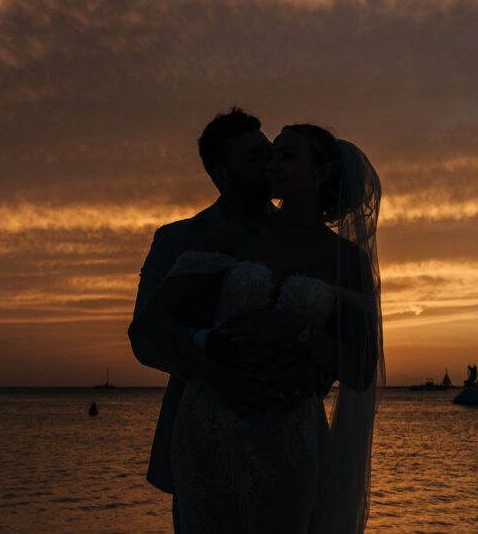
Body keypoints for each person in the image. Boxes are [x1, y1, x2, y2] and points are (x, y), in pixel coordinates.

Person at [141, 123, 385, 533]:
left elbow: (360, 369)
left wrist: (299, 337)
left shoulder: (347, 261)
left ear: (321, 173)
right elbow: (153, 321)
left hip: (290, 434)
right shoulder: (234, 234)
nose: (272, 165)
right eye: (271, 155)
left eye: (286, 156)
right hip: (212, 424)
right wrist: (220, 375)